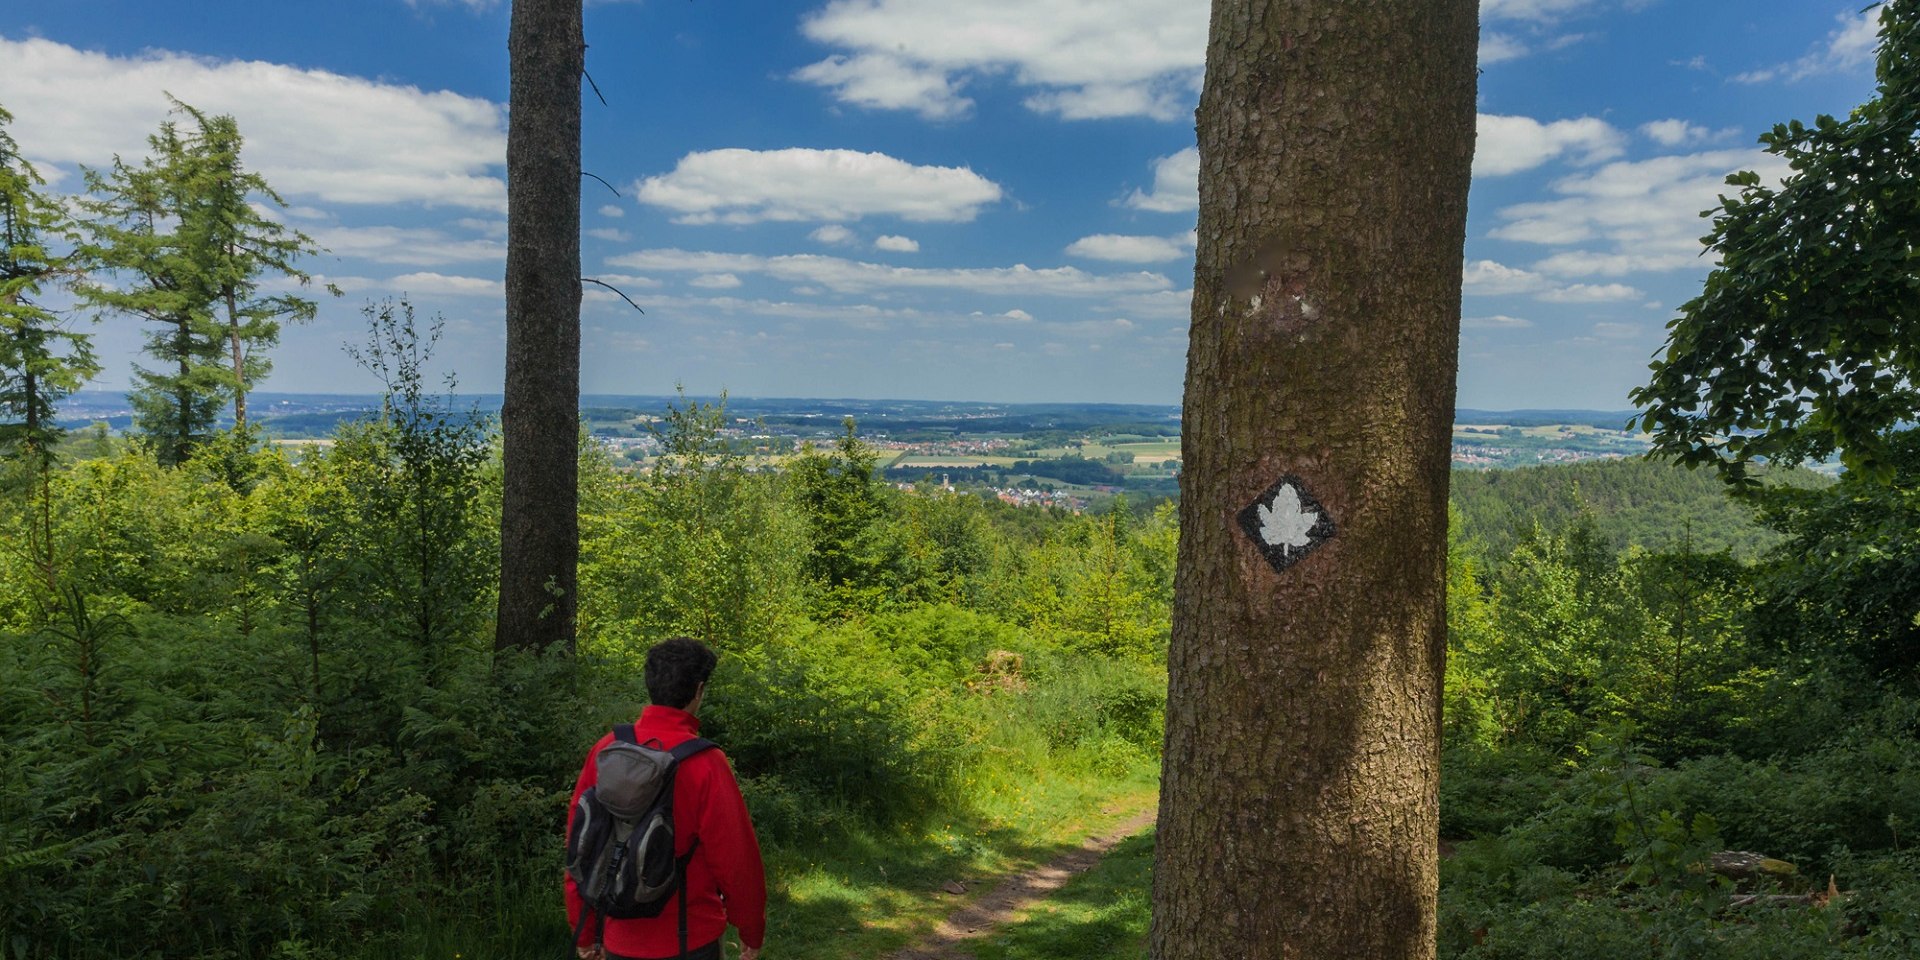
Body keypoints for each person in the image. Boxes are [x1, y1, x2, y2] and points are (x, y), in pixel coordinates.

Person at [566, 637, 766, 960]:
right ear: (699, 691)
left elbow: (580, 848)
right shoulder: (706, 763)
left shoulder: (605, 751)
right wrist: (751, 930)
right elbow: (737, 860)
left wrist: (585, 932)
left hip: (619, 939)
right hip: (690, 940)